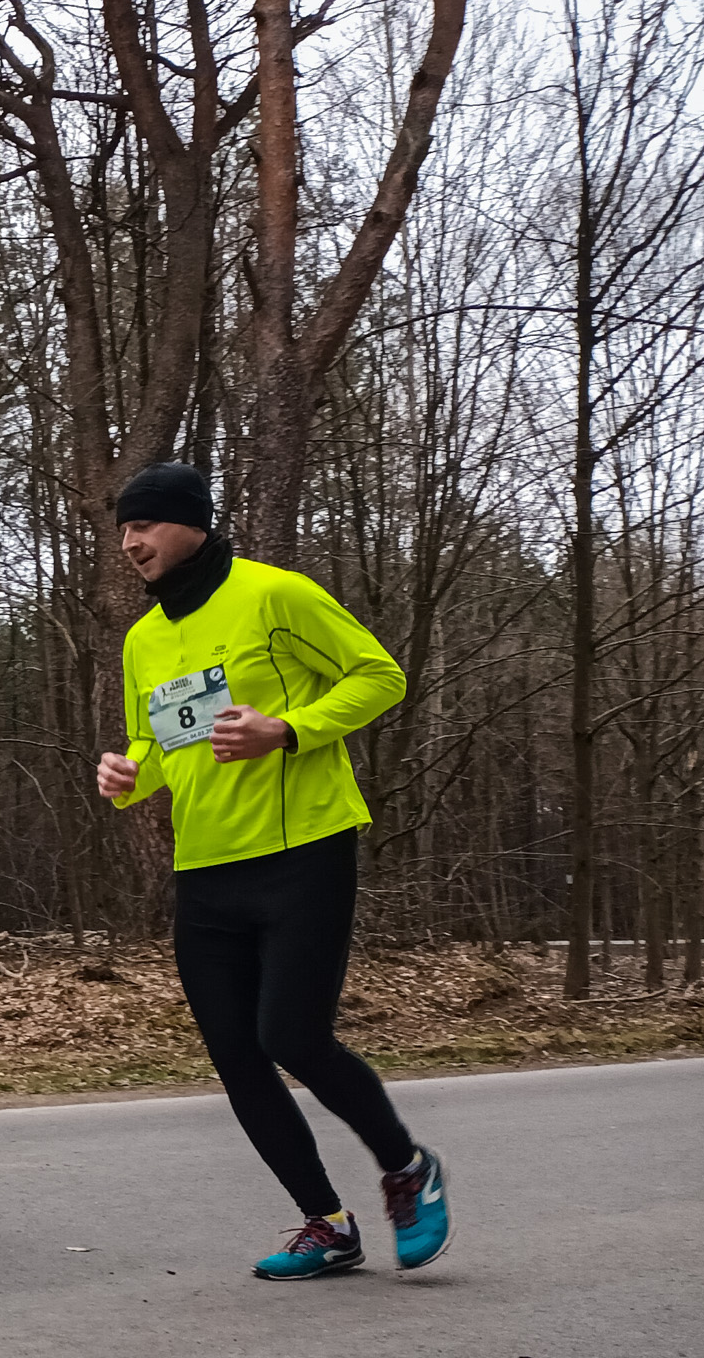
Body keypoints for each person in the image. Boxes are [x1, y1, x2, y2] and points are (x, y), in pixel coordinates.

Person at [95, 462, 453, 1280]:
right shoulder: (144, 639)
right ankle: (327, 1224)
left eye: (143, 525)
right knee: (237, 1057)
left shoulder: (275, 595)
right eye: (122, 530)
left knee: (292, 1034)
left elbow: (381, 676)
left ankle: (407, 1167)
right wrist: (128, 773)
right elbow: (161, 742)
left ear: (191, 522)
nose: (129, 543)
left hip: (303, 851)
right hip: (206, 866)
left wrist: (286, 729)